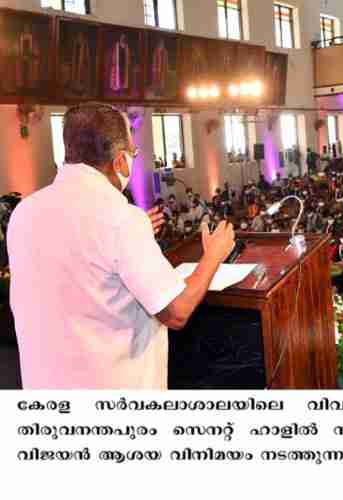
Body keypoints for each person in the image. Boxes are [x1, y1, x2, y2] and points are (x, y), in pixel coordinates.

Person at [7, 103, 236, 389]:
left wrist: (134, 241)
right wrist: (214, 255)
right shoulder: (120, 218)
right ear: (119, 162)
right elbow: (177, 312)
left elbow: (76, 268)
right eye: (134, 154)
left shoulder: (25, 212)